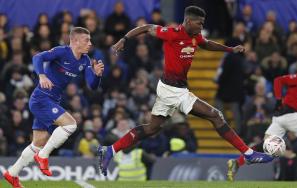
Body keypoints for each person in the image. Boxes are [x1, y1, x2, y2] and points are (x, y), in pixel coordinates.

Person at [97, 6, 273, 176]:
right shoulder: (172, 34)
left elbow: (208, 44)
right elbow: (146, 27)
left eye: (203, 24)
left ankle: (110, 150)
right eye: (199, 23)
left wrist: (229, 49)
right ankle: (249, 154)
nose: (201, 27)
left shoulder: (195, 37)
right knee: (215, 115)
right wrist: (124, 39)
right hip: (173, 90)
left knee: (151, 129)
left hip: (170, 88)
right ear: (188, 21)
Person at [3, 27, 104, 188]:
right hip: (41, 99)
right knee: (71, 124)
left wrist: (97, 75)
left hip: (52, 101)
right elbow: (37, 57)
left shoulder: (85, 60)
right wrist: (41, 75)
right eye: (86, 40)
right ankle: (43, 156)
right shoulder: (61, 52)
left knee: (38, 143)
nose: (90, 44)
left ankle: (12, 173)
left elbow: (92, 86)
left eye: (90, 40)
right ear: (75, 41)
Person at [227, 59, 297, 181]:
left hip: (280, 118)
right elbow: (278, 80)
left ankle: (237, 162)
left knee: (265, 147)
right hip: (290, 115)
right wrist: (278, 99)